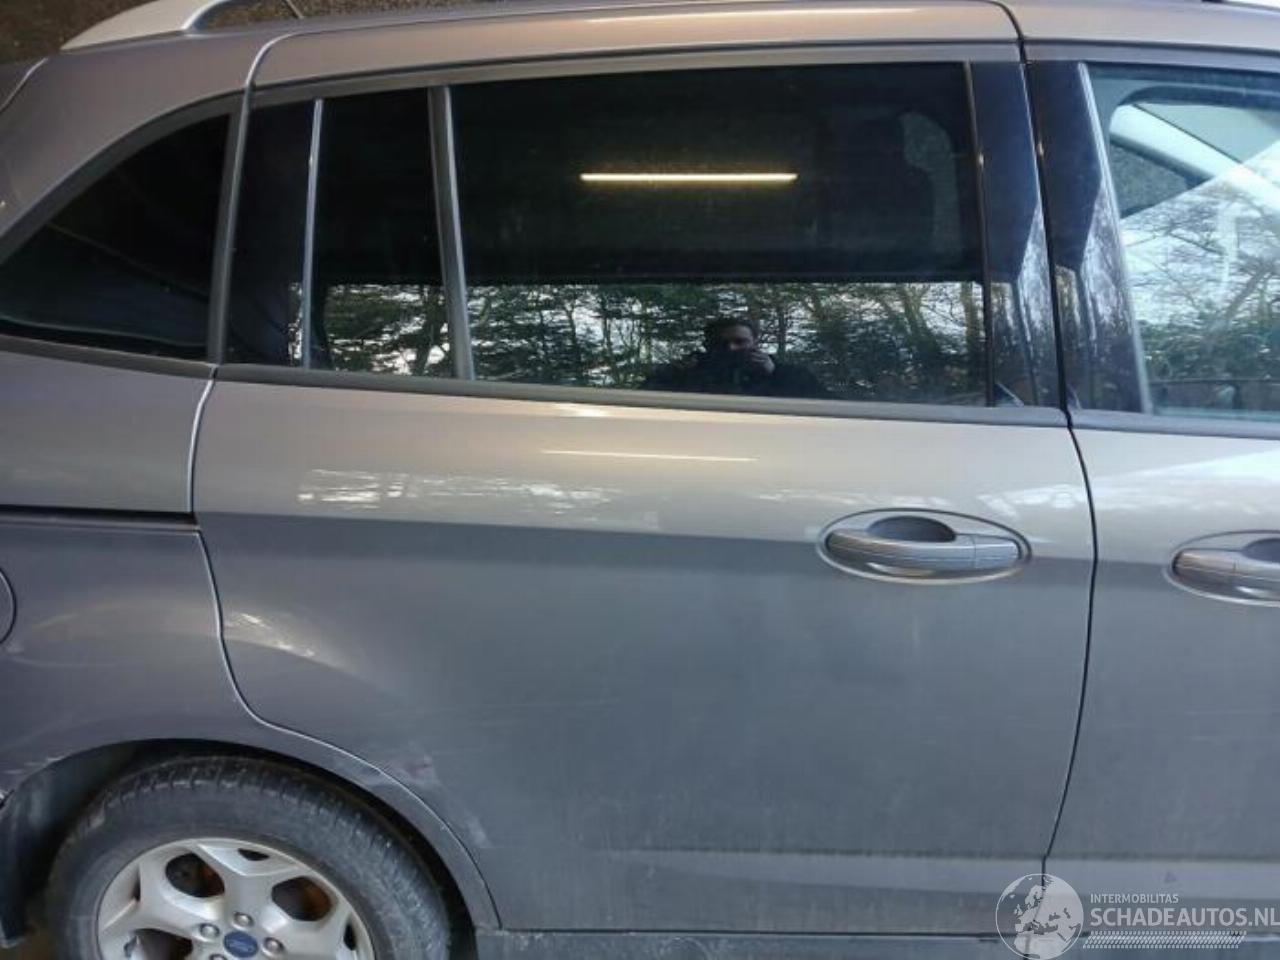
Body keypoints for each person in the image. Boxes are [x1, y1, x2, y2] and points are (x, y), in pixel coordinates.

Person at [642, 317, 828, 398]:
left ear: (755, 342)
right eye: (721, 343)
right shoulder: (688, 372)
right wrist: (675, 374)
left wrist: (776, 374)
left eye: (740, 342)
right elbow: (645, 398)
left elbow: (823, 405)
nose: (731, 348)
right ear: (707, 346)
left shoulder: (789, 374)